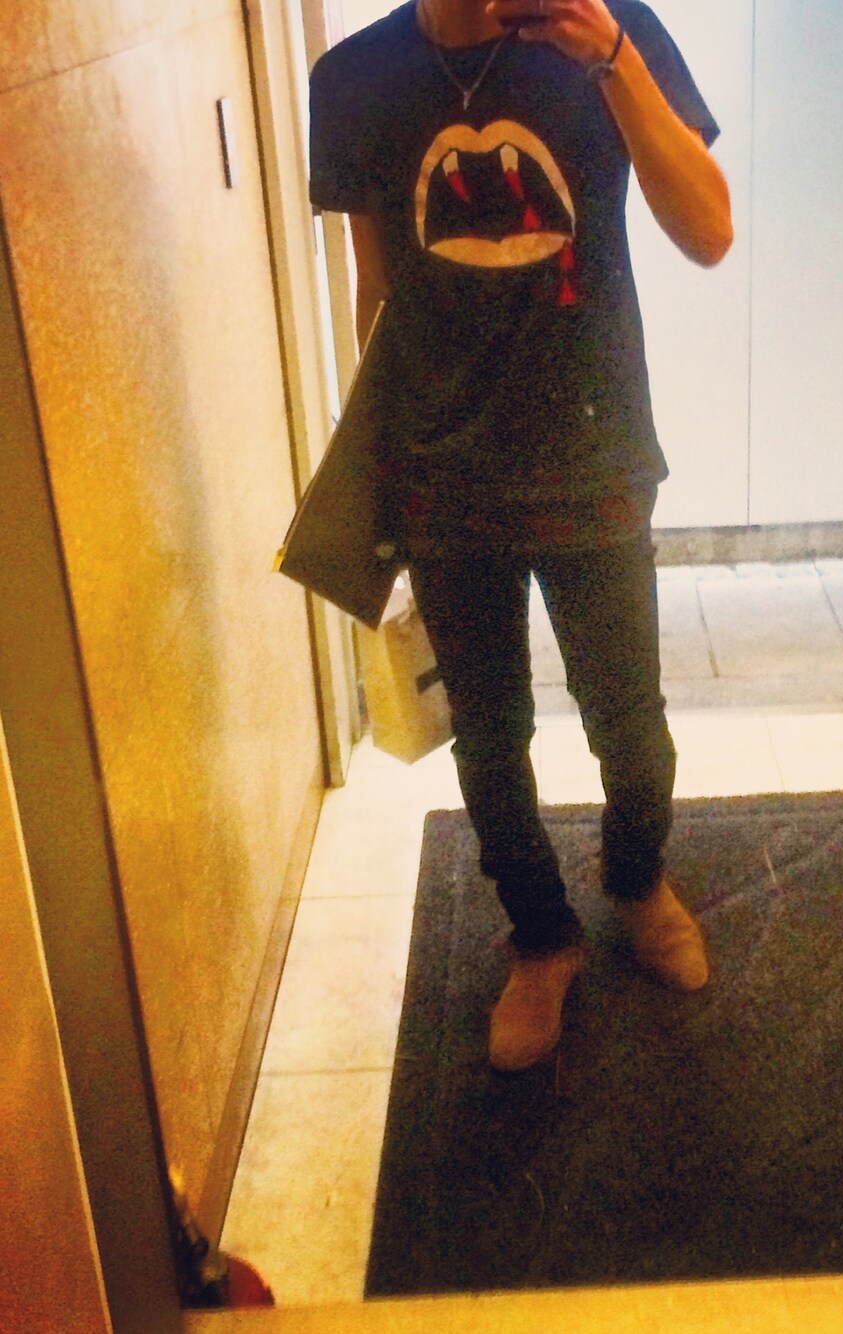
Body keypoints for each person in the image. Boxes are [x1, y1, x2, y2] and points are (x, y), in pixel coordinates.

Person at [309, 0, 733, 1072]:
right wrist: (379, 479)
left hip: (593, 451)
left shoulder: (610, 32)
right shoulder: (353, 81)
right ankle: (541, 937)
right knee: (490, 741)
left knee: (631, 730)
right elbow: (375, 291)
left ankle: (636, 881)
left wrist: (614, 61)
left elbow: (710, 234)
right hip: (444, 470)